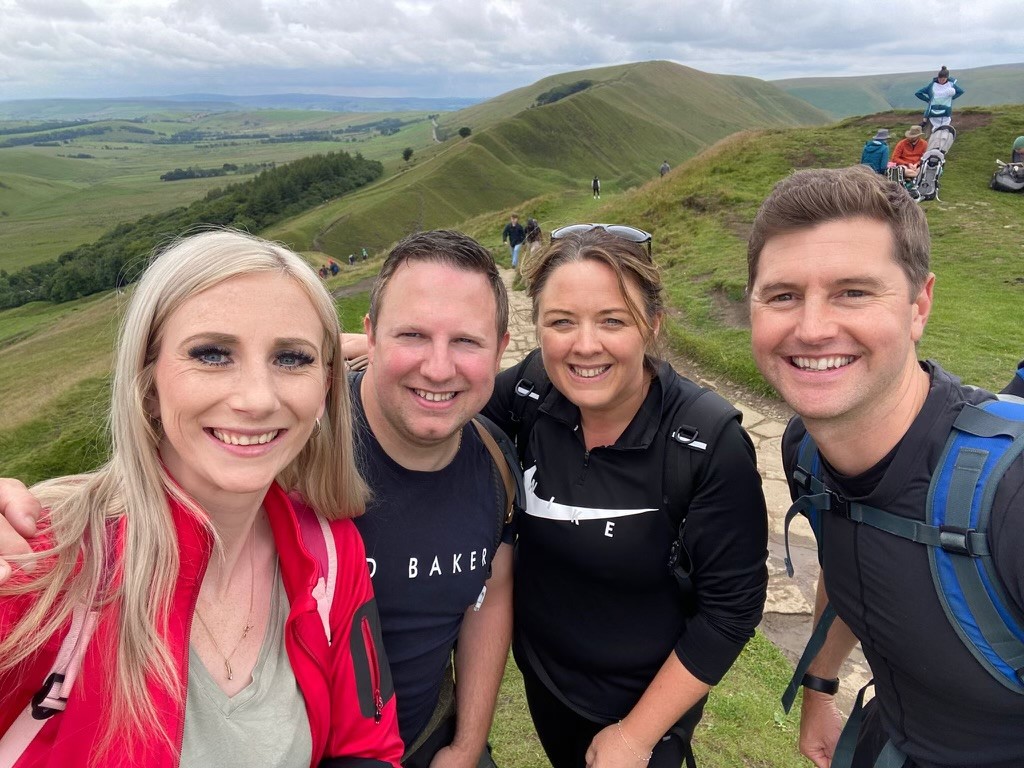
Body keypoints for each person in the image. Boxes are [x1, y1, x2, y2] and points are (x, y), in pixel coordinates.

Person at [0, 230, 515, 768]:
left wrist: (465, 745)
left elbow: (365, 742)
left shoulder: (330, 551)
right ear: (147, 381)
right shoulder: (35, 567)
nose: (256, 398)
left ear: (323, 385)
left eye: (291, 358)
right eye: (213, 354)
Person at [746, 165, 1024, 768]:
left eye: (853, 292)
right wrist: (820, 683)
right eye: (783, 295)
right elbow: (850, 556)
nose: (813, 328)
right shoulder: (805, 452)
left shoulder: (1012, 496)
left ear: (919, 304)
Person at [482, 225, 768, 768]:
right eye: (561, 322)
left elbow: (731, 611)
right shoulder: (530, 390)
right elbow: (450, 409)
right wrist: (370, 355)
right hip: (544, 679)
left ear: (653, 325)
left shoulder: (707, 442)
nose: (584, 345)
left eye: (612, 320)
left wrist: (636, 737)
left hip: (643, 706)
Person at [915, 66, 964, 133]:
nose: (941, 81)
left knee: (944, 130)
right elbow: (918, 93)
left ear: (947, 78)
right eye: (939, 79)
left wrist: (951, 98)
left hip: (945, 113)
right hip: (932, 113)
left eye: (943, 79)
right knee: (930, 130)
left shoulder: (951, 85)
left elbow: (961, 91)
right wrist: (928, 100)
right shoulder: (932, 85)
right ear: (938, 77)